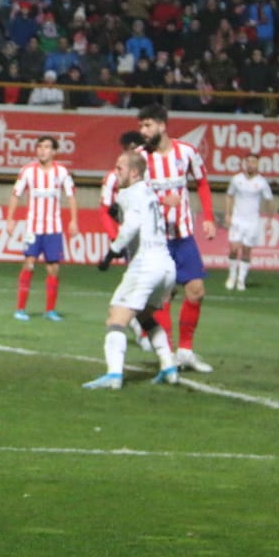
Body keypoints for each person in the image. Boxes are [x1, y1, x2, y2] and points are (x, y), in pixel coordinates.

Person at [82, 151, 180, 389]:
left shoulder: (128, 192)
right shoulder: (148, 191)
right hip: (166, 266)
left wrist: (112, 251)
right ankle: (168, 367)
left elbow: (132, 226)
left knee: (116, 318)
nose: (116, 173)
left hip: (145, 265)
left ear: (134, 172)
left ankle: (114, 375)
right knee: (146, 316)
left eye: (120, 168)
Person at [136, 104, 217, 373]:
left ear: (162, 125)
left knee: (196, 291)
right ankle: (166, 354)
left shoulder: (187, 152)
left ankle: (185, 352)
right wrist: (161, 199)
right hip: (156, 239)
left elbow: (202, 182)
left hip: (183, 236)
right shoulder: (139, 158)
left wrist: (208, 217)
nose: (143, 131)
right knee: (164, 296)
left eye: (147, 125)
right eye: (141, 126)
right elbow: (131, 197)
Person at [6, 136, 79, 321]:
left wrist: (73, 221)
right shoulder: (27, 171)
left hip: (53, 228)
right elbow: (16, 195)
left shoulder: (62, 172)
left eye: (47, 147)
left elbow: (71, 197)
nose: (42, 150)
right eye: (40, 147)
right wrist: (10, 219)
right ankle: (20, 309)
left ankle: (50, 311)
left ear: (54, 151)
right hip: (33, 227)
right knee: (29, 264)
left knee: (53, 268)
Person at [99, 131, 151, 350]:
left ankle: (147, 335)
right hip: (131, 242)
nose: (133, 149)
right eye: (129, 146)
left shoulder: (148, 176)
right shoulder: (113, 177)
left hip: (152, 242)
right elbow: (105, 210)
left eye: (136, 146)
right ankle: (143, 334)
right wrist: (115, 240)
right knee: (136, 290)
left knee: (143, 292)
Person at [223, 153, 276, 291]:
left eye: (253, 162)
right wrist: (228, 214)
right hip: (237, 219)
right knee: (234, 249)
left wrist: (270, 219)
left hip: (252, 221)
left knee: (246, 251)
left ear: (257, 165)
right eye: (248, 161)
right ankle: (232, 276)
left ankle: (241, 280)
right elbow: (229, 195)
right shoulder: (236, 179)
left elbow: (269, 200)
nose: (250, 164)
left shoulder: (261, 182)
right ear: (244, 163)